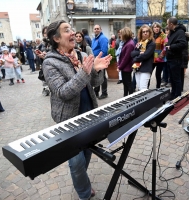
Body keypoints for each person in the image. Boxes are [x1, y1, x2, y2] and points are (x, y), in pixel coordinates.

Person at [42, 20, 112, 200]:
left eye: (72, 29)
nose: (72, 32)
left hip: (89, 113)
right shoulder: (50, 63)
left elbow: (94, 84)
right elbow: (63, 93)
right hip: (68, 119)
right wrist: (84, 73)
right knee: (76, 161)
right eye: (66, 30)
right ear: (56, 38)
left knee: (87, 152)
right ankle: (84, 194)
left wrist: (97, 70)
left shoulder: (81, 55)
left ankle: (82, 182)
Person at [166, 17, 187, 99]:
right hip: (171, 58)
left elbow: (183, 44)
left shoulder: (180, 32)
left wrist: (171, 47)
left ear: (171, 24)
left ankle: (177, 95)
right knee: (172, 78)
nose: (167, 26)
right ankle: (173, 93)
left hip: (176, 59)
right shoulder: (173, 32)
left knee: (176, 78)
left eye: (168, 24)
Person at [130, 24, 156, 91]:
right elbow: (132, 53)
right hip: (137, 68)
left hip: (146, 68)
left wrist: (135, 59)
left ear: (150, 33)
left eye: (147, 31)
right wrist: (139, 53)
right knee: (139, 88)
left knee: (143, 89)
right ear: (141, 33)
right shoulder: (139, 43)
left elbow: (146, 55)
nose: (145, 33)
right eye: (143, 32)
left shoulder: (151, 44)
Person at [92, 24, 109, 99]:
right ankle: (96, 92)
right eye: (95, 29)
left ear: (100, 29)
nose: (96, 30)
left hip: (100, 60)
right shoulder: (94, 38)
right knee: (97, 76)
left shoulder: (103, 38)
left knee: (102, 77)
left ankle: (104, 93)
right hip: (95, 60)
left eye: (97, 28)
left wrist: (100, 60)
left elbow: (104, 50)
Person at [117, 27, 135, 96]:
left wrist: (120, 67)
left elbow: (126, 58)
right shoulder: (127, 43)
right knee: (126, 84)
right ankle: (125, 96)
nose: (120, 35)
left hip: (126, 68)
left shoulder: (129, 44)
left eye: (121, 34)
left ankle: (130, 98)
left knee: (128, 84)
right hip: (125, 68)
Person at [152, 22, 167, 89]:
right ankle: (145, 89)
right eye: (155, 27)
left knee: (157, 74)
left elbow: (166, 45)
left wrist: (162, 53)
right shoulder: (151, 35)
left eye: (157, 27)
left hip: (160, 59)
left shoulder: (163, 35)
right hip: (152, 58)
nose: (156, 28)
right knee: (148, 73)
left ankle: (158, 88)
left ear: (160, 28)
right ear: (152, 28)